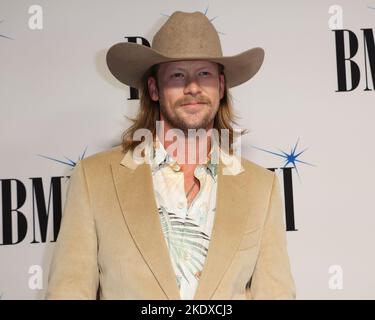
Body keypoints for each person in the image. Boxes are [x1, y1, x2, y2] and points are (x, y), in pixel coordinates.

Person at [46, 11, 295, 300]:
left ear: (221, 87)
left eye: (204, 74)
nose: (192, 87)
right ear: (154, 89)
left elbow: (275, 294)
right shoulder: (94, 179)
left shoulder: (261, 188)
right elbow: (68, 291)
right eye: (178, 75)